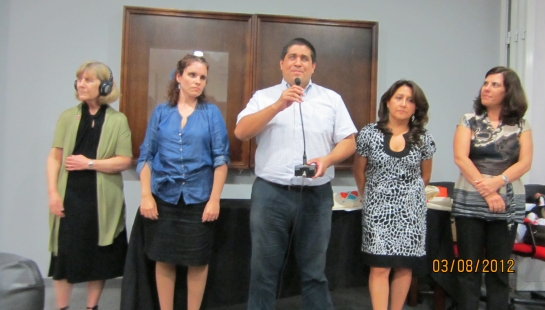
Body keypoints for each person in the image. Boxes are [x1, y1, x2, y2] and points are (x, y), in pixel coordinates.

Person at [235, 37, 357, 310]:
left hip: (316, 197)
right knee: (263, 272)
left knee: (315, 273)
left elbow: (350, 141)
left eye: (304, 58)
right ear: (281, 64)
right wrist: (278, 105)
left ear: (313, 66)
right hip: (271, 195)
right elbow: (242, 132)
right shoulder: (264, 97)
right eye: (292, 57)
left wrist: (328, 159)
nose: (297, 62)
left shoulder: (331, 99)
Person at [137, 54, 229, 310]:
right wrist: (146, 195)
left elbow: (221, 160)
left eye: (202, 77)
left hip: (199, 199)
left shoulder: (211, 113)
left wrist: (214, 200)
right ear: (178, 77)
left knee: (197, 261)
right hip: (164, 198)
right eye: (192, 75)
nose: (198, 81)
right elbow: (146, 155)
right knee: (164, 260)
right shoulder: (161, 112)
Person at [46, 61, 132, 310]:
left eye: (89, 80)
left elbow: (124, 161)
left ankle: (91, 307)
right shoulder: (67, 117)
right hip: (69, 197)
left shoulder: (118, 120)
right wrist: (53, 192)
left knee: (98, 257)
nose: (81, 84)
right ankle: (61, 307)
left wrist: (90, 164)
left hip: (101, 202)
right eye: (79, 79)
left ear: (104, 86)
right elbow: (55, 157)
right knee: (63, 258)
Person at [452, 66, 532, 310]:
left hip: (506, 202)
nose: (486, 88)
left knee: (498, 271)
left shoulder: (521, 125)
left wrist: (498, 182)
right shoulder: (469, 120)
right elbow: (460, 158)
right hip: (470, 201)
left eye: (494, 84)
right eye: (485, 83)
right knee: (469, 270)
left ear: (509, 92)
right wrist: (487, 191)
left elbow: (525, 162)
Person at [353, 80, 436, 310]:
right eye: (399, 97)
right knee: (379, 267)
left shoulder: (423, 138)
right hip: (377, 209)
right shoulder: (369, 134)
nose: (404, 104)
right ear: (388, 102)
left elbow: (425, 176)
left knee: (404, 265)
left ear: (416, 108)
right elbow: (359, 171)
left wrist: (407, 197)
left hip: (411, 211)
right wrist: (370, 196)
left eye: (410, 100)